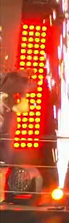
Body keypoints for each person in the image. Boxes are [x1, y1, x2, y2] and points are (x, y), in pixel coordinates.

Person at [0, 70, 33, 203]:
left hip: (6, 133)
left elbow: (22, 108)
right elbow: (22, 108)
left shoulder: (9, 94)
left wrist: (23, 95)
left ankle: (1, 197)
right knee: (3, 166)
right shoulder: (6, 93)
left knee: (4, 166)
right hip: (5, 133)